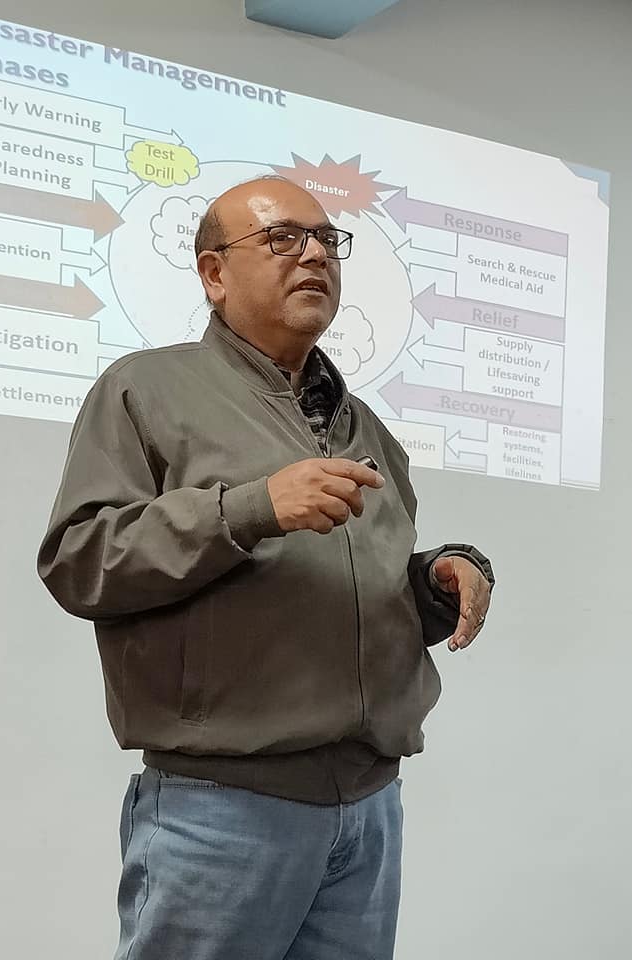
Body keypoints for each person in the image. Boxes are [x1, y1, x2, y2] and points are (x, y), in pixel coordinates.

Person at [38, 176, 494, 960]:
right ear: (214, 273)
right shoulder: (144, 389)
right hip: (221, 809)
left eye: (326, 240)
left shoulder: (367, 429)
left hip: (369, 806)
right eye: (282, 238)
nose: (314, 254)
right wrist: (248, 509)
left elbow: (354, 583)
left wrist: (434, 582)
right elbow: (81, 560)